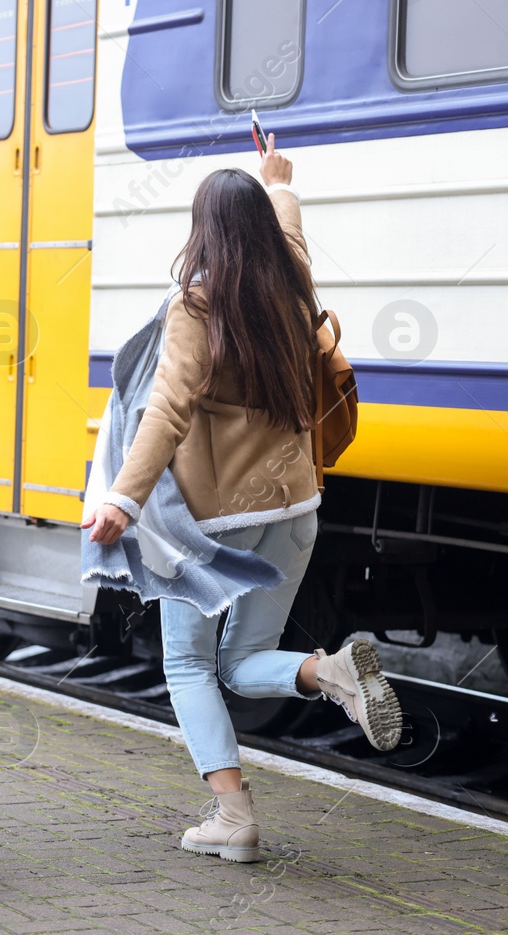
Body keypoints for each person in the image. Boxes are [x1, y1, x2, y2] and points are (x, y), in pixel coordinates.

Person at [83, 139, 401, 864]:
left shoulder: (197, 305)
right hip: (294, 510)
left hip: (212, 528)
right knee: (245, 657)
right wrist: (279, 182)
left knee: (190, 667)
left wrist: (122, 504)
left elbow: (165, 410)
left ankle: (234, 815)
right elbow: (288, 230)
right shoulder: (292, 286)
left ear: (203, 232)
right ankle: (330, 672)